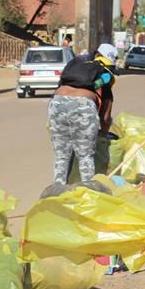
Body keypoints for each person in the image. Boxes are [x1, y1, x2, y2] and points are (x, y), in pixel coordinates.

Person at [48, 43, 117, 184]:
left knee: (61, 156)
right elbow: (105, 117)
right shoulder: (105, 75)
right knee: (85, 156)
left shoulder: (76, 65)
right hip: (83, 105)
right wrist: (104, 134)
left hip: (57, 103)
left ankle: (58, 190)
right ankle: (86, 191)